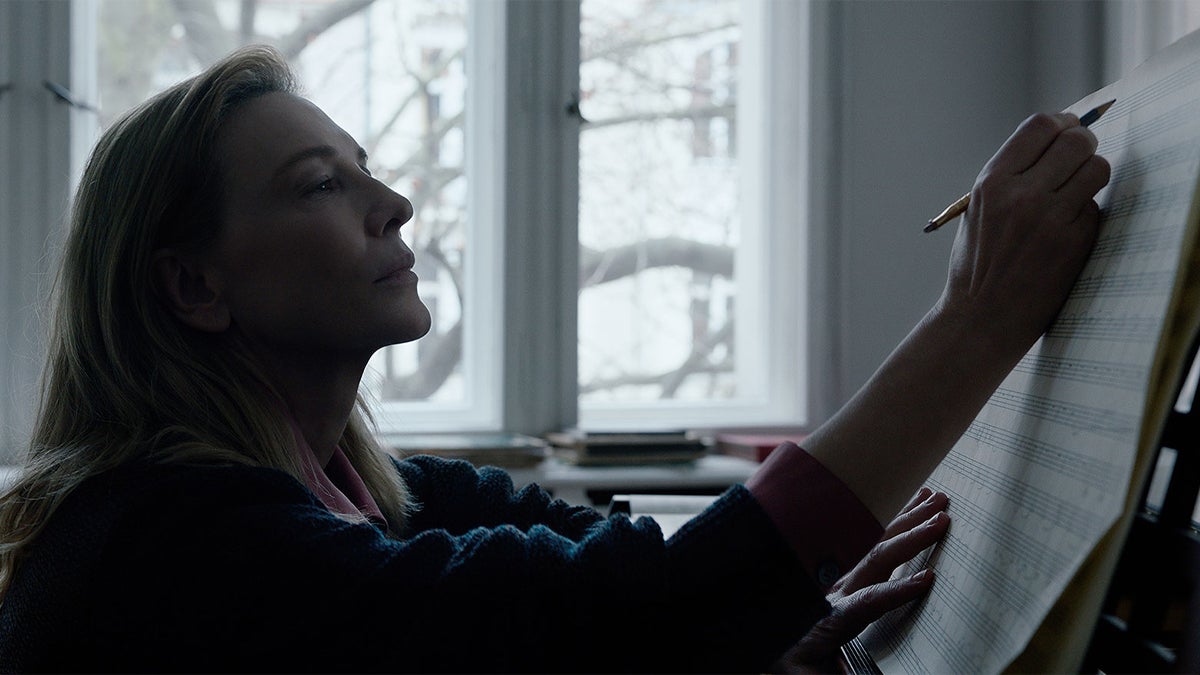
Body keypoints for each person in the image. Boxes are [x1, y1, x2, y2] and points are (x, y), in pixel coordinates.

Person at [0, 45, 1108, 673]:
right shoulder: (168, 543)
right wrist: (977, 321)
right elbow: (651, 609)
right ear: (193, 286)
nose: (394, 203)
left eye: (366, 167)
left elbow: (631, 580)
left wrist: (764, 621)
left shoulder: (373, 494)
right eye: (321, 185)